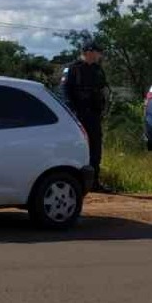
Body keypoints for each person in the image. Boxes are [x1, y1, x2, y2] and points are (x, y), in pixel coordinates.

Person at [61, 42, 111, 193]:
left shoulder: (97, 69)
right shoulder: (73, 68)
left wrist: (102, 106)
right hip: (78, 114)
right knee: (78, 147)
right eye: (97, 52)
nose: (99, 55)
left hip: (93, 113)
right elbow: (65, 91)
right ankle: (74, 181)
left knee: (95, 148)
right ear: (89, 52)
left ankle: (94, 181)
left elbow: (103, 88)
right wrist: (73, 111)